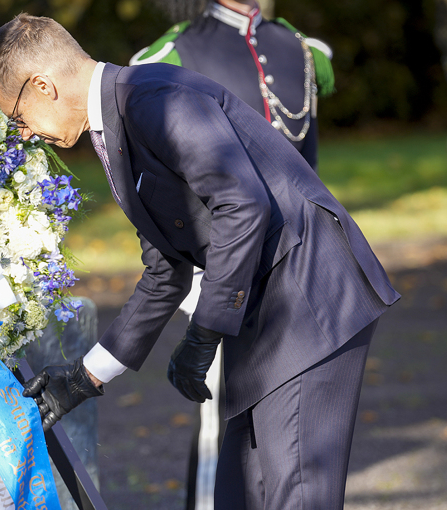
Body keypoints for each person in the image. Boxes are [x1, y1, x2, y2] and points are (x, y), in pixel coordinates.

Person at [0, 14, 399, 509]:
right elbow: (165, 271)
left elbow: (243, 206)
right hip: (267, 312)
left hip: (310, 300)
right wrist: (82, 379)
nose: (23, 134)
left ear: (43, 86)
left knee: (294, 497)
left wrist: (205, 330)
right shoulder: (118, 122)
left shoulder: (153, 99)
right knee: (240, 497)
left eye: (16, 117)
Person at [129, 2, 334, 508]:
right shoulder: (172, 53)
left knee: (289, 429)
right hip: (225, 266)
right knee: (222, 422)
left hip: (302, 267)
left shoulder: (304, 50)